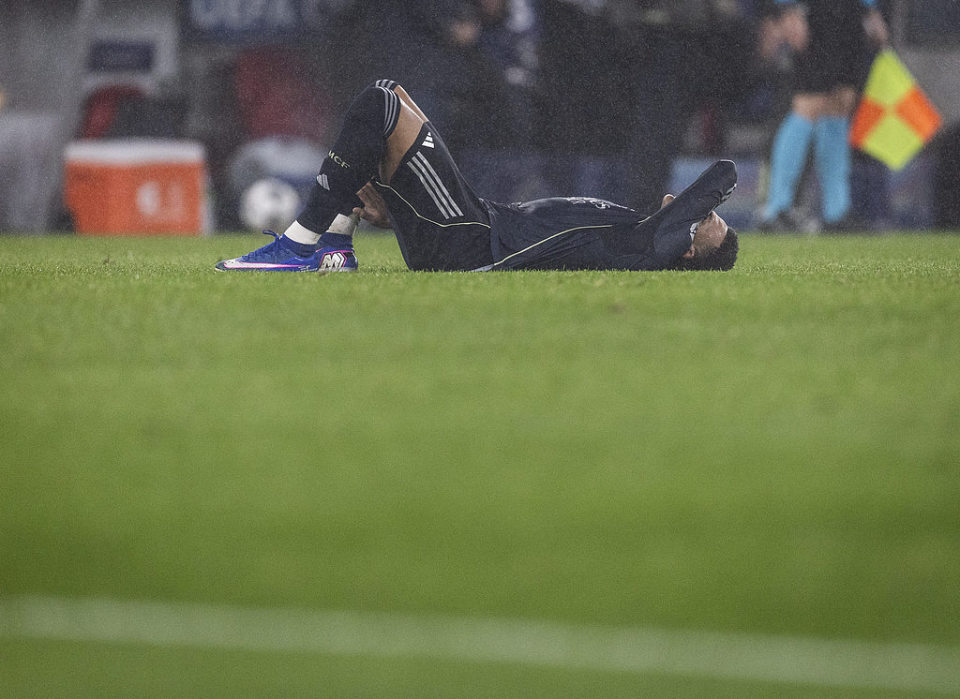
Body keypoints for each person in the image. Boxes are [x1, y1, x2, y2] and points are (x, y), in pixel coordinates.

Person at [216, 80, 739, 273]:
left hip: (469, 239)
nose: (703, 209)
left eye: (709, 220)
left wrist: (701, 216)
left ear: (687, 249)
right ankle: (335, 245)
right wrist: (402, 216)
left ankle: (298, 244)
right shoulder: (633, 229)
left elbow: (724, 172)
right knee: (391, 95)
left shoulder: (650, 246)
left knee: (380, 105)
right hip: (472, 224)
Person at [759, 0, 889, 231]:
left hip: (851, 12)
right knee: (808, 104)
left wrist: (871, 9)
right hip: (815, 11)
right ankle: (776, 208)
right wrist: (789, 10)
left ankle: (836, 211)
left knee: (840, 104)